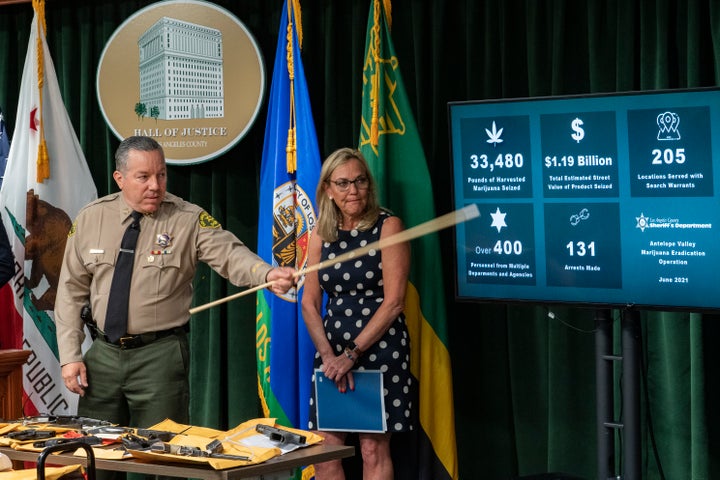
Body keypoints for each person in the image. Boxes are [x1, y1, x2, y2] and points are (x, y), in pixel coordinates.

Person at [55, 135, 295, 430]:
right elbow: (70, 292)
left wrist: (267, 274)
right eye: (143, 177)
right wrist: (70, 357)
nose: (155, 185)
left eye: (161, 174)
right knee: (96, 452)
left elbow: (231, 256)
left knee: (160, 454)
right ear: (120, 178)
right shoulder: (91, 218)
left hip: (160, 357)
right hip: (102, 356)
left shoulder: (188, 219)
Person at [301, 147, 414, 480]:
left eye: (360, 181)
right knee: (324, 453)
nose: (353, 191)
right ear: (328, 190)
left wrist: (352, 354)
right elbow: (309, 302)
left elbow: (395, 301)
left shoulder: (388, 226)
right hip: (331, 353)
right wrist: (329, 357)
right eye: (343, 183)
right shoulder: (322, 233)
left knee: (372, 450)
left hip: (378, 350)